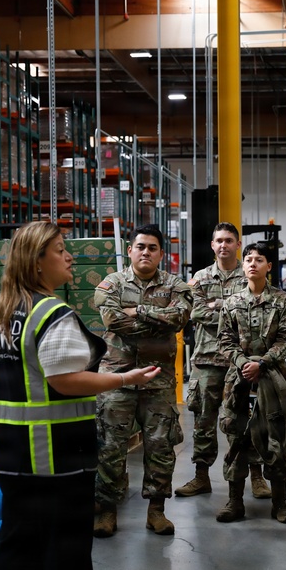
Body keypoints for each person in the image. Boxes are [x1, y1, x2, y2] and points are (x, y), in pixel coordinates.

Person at [0, 221, 160, 570]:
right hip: (58, 458)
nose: (70, 257)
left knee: (17, 546)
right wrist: (123, 377)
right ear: (38, 261)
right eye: (61, 250)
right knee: (68, 552)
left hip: (11, 454)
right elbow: (64, 380)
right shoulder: (51, 315)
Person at [93, 224, 193, 538]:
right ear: (131, 250)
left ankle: (156, 511)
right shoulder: (111, 283)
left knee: (161, 448)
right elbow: (111, 319)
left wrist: (136, 311)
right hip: (117, 381)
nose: (146, 252)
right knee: (110, 446)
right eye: (140, 247)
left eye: (152, 247)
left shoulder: (177, 286)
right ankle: (107, 510)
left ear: (161, 253)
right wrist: (154, 321)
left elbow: (178, 319)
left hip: (158, 382)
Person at [178, 223, 272, 500]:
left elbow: (257, 314)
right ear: (212, 244)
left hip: (241, 362)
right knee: (203, 420)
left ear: (238, 244)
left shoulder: (250, 276)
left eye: (229, 240)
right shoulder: (200, 277)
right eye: (219, 240)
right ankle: (201, 476)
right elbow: (194, 313)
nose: (224, 245)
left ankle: (255, 475)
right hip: (207, 360)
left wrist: (216, 307)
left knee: (246, 420)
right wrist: (230, 309)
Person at [214, 242, 286, 524]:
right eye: (248, 259)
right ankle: (234, 501)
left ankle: (280, 503)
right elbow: (224, 340)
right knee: (236, 436)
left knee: (276, 437)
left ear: (268, 266)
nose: (252, 264)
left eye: (259, 259)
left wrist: (261, 363)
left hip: (271, 380)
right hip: (238, 380)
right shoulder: (232, 303)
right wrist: (242, 363)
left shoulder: (283, 301)